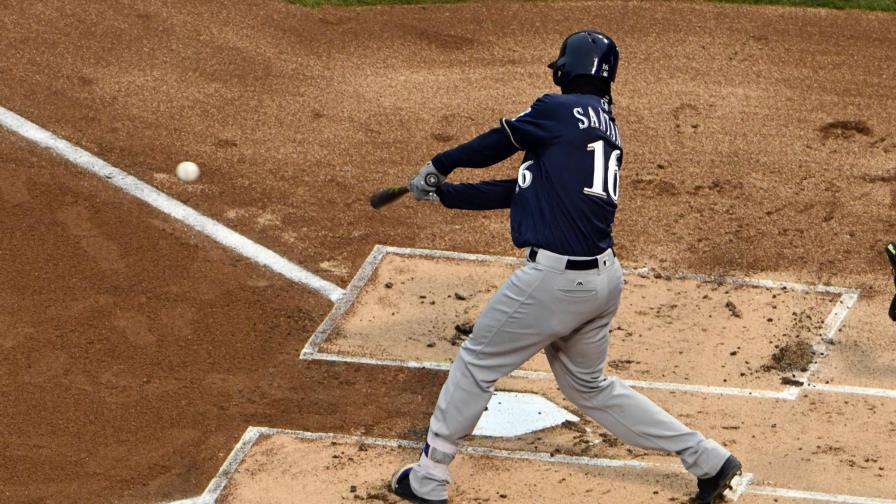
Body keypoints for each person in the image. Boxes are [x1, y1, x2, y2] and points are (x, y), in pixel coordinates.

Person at [389, 31, 741, 504]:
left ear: (567, 67)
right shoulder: (602, 129)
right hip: (602, 282)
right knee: (590, 387)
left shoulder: (554, 112)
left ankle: (428, 478)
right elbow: (521, 189)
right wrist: (445, 194)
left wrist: (440, 164)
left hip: (555, 282)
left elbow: (499, 141)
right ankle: (709, 459)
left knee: (476, 363)